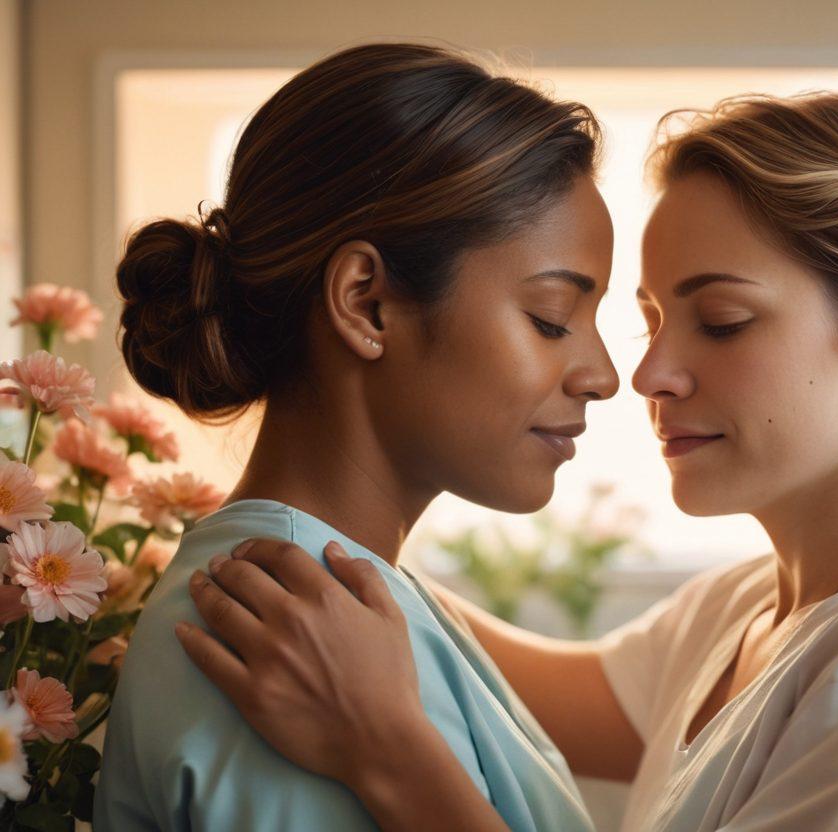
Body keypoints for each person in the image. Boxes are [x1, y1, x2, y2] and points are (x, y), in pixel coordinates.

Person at [180, 91, 838, 831]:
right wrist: (282, 543)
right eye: (649, 319)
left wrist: (389, 752)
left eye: (720, 321)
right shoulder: (751, 609)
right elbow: (508, 681)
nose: (646, 372)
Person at [95, 42, 621, 832]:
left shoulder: (351, 603)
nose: (603, 374)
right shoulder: (281, 626)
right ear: (366, 304)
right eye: (552, 318)